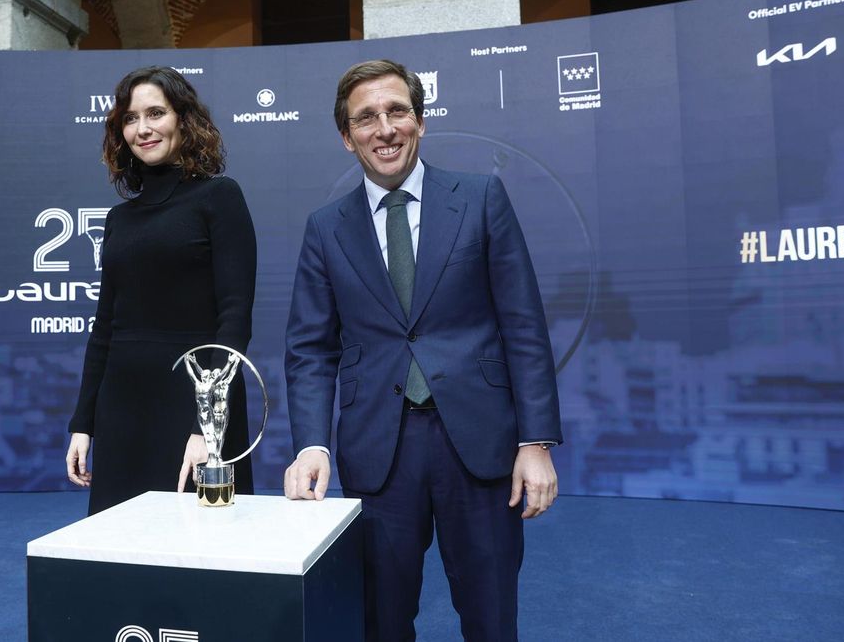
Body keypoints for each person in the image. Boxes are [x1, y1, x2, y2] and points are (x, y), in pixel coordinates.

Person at [283, 59, 563, 641]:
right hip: (378, 451)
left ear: (420, 121)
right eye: (366, 118)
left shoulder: (482, 198)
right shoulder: (325, 227)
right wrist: (311, 441)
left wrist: (534, 442)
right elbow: (310, 348)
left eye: (397, 112)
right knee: (381, 620)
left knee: (491, 617)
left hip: (480, 447)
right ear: (346, 136)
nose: (384, 129)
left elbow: (524, 326)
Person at [66, 66, 256, 516]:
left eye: (156, 113)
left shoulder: (219, 198)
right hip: (123, 406)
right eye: (131, 118)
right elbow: (105, 328)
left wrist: (206, 427)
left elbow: (235, 319)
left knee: (204, 552)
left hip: (198, 402)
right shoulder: (119, 219)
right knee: (120, 549)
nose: (143, 128)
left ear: (184, 120)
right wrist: (83, 423)